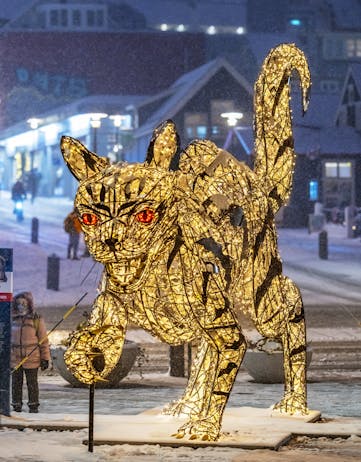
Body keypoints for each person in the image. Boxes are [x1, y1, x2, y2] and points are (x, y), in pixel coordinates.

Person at [11, 291, 50, 413]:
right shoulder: (12, 318)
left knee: (32, 383)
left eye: (23, 303)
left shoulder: (36, 319)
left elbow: (44, 341)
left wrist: (45, 358)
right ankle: (16, 405)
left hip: (32, 357)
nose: (21, 306)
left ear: (29, 304)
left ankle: (33, 406)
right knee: (16, 384)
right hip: (15, 358)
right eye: (18, 303)